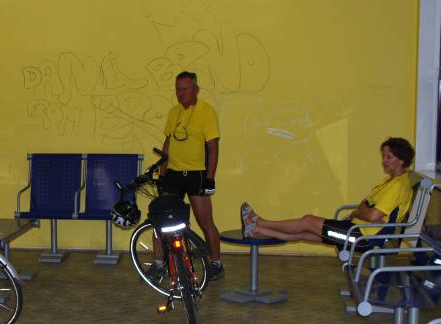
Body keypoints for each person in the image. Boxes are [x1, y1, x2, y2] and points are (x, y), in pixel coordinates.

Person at [241, 137, 415, 247]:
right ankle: (257, 231)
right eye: (383, 156)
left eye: (389, 157)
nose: (384, 161)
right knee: (306, 232)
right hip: (356, 228)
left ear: (402, 161)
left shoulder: (398, 186)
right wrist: (364, 211)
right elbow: (366, 204)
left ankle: (259, 222)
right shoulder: (387, 181)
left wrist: (357, 212)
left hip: (362, 236)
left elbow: (371, 215)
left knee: (308, 221)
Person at [151, 70, 224, 281]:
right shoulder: (174, 112)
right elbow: (167, 144)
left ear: (196, 90)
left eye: (184, 89)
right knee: (161, 219)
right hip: (173, 174)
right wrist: (162, 173)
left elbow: (213, 148)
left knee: (205, 222)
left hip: (196, 174)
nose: (180, 93)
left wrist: (210, 178)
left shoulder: (206, 111)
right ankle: (159, 265)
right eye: (177, 90)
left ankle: (216, 263)